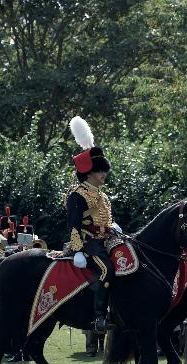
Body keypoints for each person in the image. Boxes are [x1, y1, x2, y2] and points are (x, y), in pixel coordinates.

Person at [65, 116, 117, 334]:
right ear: (88, 172)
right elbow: (73, 226)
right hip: (89, 243)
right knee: (107, 269)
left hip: (107, 240)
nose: (104, 174)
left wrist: (114, 227)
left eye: (104, 170)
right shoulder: (77, 195)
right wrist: (78, 250)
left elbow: (105, 220)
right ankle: (99, 318)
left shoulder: (103, 196)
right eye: (100, 171)